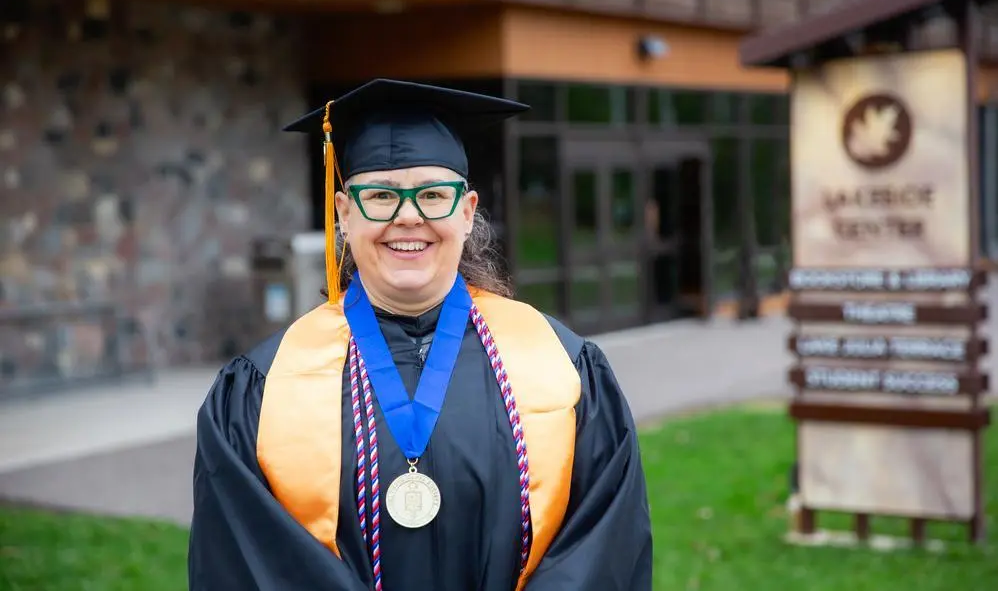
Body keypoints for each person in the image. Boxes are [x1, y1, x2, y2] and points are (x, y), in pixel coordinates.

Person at [187, 79, 653, 591]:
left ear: (468, 212)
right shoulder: (262, 388)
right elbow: (248, 559)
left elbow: (604, 547)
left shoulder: (563, 368)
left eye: (433, 195)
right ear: (344, 214)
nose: (408, 217)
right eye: (380, 196)